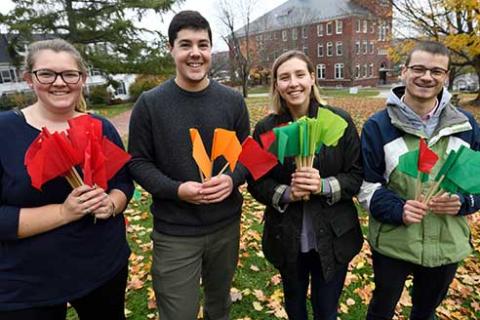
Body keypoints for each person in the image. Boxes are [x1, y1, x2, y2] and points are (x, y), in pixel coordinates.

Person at [128, 10, 250, 320]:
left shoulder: (232, 101)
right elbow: (139, 163)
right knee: (178, 313)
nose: (195, 53)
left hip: (225, 226)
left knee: (218, 306)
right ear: (172, 49)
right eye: (185, 44)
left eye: (202, 44)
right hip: (175, 231)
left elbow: (247, 156)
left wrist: (232, 180)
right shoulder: (150, 104)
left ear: (210, 50)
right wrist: (177, 189)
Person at [0, 39, 133, 320]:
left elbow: (123, 183)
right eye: (47, 74)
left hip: (103, 267)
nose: (59, 83)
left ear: (82, 79)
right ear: (28, 79)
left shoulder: (99, 126)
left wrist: (110, 204)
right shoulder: (5, 132)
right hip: (27, 283)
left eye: (69, 74)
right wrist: (64, 212)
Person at [359, 40, 480, 320]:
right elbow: (366, 187)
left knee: (426, 312)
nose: (427, 77)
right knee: (381, 309)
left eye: (436, 71)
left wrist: (466, 202)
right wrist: (397, 208)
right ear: (404, 72)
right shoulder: (378, 126)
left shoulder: (468, 126)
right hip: (394, 241)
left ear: (446, 76)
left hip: (447, 243)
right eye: (419, 68)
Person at [247, 50, 363, 320]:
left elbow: (356, 175)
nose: (293, 83)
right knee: (295, 307)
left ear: (312, 78)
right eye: (284, 77)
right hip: (287, 238)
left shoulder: (340, 121)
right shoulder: (267, 129)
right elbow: (256, 181)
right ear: (277, 85)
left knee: (326, 310)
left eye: (300, 74)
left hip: (334, 237)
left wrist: (323, 185)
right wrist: (287, 193)